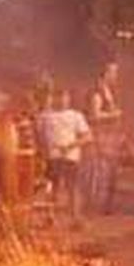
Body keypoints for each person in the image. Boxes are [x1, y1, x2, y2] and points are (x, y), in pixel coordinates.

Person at [36, 88, 91, 219]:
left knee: (72, 188)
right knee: (52, 188)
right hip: (52, 157)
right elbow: (38, 136)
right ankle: (50, 217)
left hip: (70, 157)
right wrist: (42, 152)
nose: (61, 100)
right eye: (58, 97)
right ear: (54, 99)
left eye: (64, 97)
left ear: (69, 99)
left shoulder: (75, 116)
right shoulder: (45, 117)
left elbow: (88, 137)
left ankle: (75, 217)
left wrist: (71, 146)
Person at [84, 62, 124, 215]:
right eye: (113, 72)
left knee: (111, 173)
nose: (115, 76)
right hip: (100, 138)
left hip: (111, 138)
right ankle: (94, 206)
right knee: (100, 172)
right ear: (104, 74)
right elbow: (94, 116)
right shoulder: (97, 93)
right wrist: (113, 115)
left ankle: (106, 205)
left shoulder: (111, 92)